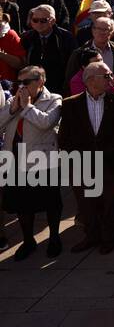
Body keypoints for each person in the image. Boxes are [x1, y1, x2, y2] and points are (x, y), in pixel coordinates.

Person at [56, 60, 114, 254]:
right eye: (106, 76)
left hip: (111, 163)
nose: (111, 79)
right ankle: (91, 236)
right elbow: (64, 138)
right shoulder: (71, 104)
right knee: (87, 204)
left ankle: (108, 238)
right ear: (90, 80)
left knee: (111, 203)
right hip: (82, 165)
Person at [0, 66, 64, 259]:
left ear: (40, 81)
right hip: (15, 159)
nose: (21, 86)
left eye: (26, 82)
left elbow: (46, 123)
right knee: (21, 204)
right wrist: (13, 108)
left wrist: (27, 107)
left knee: (51, 202)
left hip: (42, 160)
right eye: (19, 82)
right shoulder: (14, 100)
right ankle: (28, 241)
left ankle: (54, 238)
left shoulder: (54, 99)